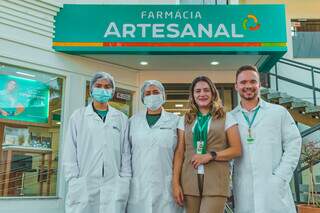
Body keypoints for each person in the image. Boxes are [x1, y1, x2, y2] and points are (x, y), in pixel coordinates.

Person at [230, 65, 302, 213]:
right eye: (243, 82)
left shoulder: (278, 113)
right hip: (243, 191)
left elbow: (294, 143)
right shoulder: (230, 118)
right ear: (236, 86)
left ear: (259, 85)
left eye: (253, 81)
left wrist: (280, 177)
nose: (248, 86)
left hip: (274, 190)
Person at [62, 72, 131, 213]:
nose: (102, 89)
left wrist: (125, 180)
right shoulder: (78, 116)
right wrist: (74, 179)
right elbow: (70, 150)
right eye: (98, 86)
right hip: (84, 182)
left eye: (107, 86)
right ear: (91, 89)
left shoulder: (121, 118)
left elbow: (126, 153)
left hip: (114, 183)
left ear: (112, 91)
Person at [172, 76, 242, 213]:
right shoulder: (184, 120)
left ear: (213, 93)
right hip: (189, 180)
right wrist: (175, 183)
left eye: (206, 90)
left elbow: (236, 149)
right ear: (193, 95)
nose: (202, 94)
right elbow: (180, 153)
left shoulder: (227, 117)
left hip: (216, 180)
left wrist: (211, 155)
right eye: (197, 91)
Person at [127, 80, 184, 213]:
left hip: (167, 185)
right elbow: (126, 154)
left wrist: (176, 183)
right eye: (148, 93)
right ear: (143, 98)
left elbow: (180, 154)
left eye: (156, 92)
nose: (152, 96)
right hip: (138, 185)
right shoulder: (133, 122)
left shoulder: (175, 121)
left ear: (163, 96)